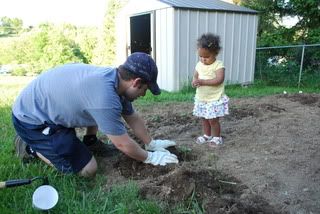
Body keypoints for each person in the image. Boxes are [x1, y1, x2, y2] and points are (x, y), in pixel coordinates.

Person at [12, 52, 179, 178]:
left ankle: (90, 142)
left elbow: (132, 117)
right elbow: (123, 144)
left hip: (49, 110)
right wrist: (151, 158)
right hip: (31, 120)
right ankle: (30, 147)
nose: (143, 95)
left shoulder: (114, 80)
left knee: (97, 110)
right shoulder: (104, 97)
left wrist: (151, 143)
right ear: (135, 82)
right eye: (145, 90)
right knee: (87, 169)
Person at [191, 33, 229, 147]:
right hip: (202, 98)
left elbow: (219, 80)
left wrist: (202, 82)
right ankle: (207, 135)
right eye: (201, 56)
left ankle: (217, 137)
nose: (203, 59)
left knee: (213, 119)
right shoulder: (199, 65)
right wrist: (194, 81)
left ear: (215, 53)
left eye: (206, 57)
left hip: (214, 98)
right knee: (204, 118)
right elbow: (195, 76)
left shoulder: (218, 65)